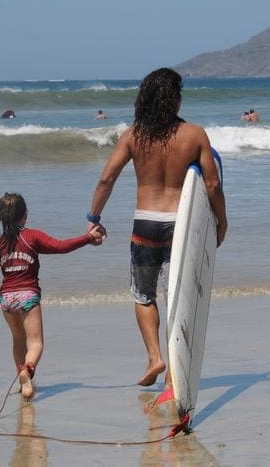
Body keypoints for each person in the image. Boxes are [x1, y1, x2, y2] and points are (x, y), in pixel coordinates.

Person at [87, 67, 228, 392]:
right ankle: (173, 370)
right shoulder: (194, 135)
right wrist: (222, 221)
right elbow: (212, 183)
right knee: (177, 298)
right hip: (181, 226)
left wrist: (93, 217)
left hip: (145, 225)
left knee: (143, 295)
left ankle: (155, 358)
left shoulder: (133, 135)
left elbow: (106, 178)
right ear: (174, 99)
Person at [0, 192, 104, 401]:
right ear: (25, 215)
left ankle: (22, 379)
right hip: (27, 296)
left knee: (18, 339)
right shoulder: (33, 237)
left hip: (6, 300)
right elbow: (61, 246)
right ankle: (28, 370)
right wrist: (88, 238)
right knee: (36, 343)